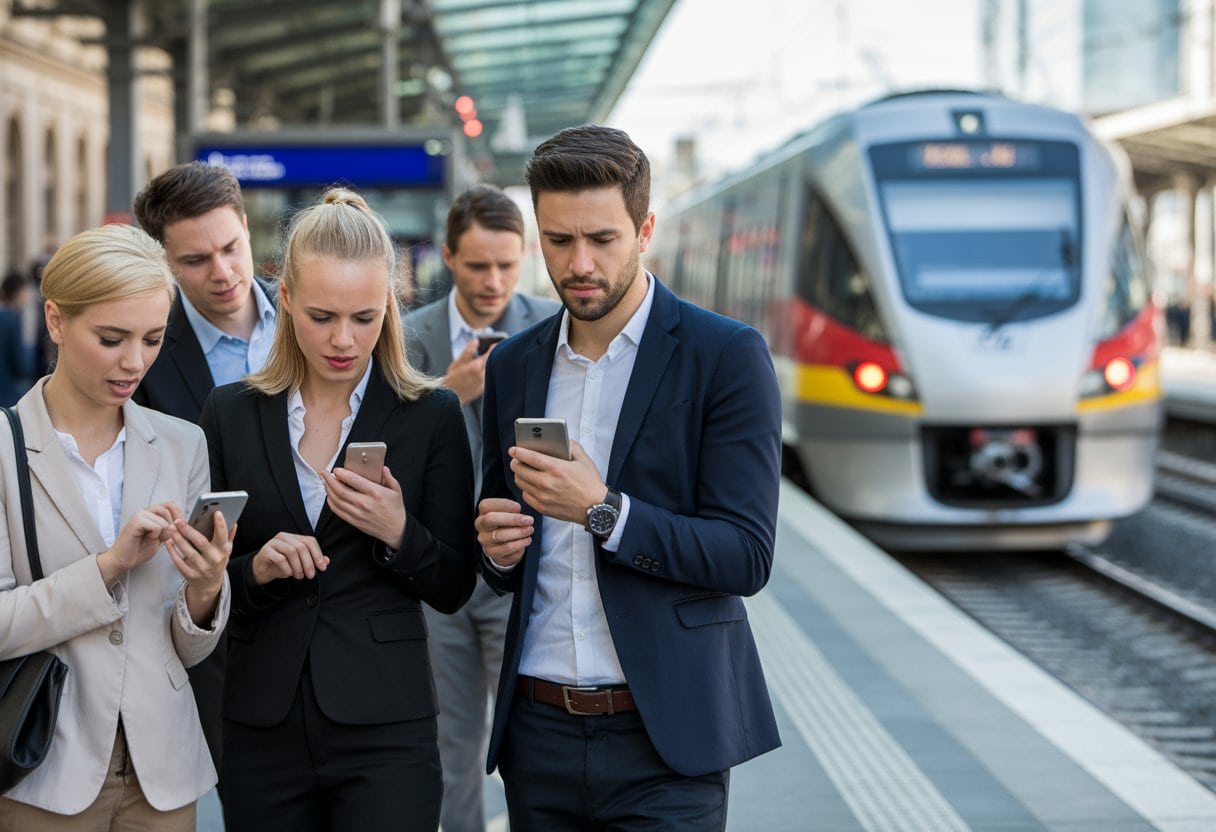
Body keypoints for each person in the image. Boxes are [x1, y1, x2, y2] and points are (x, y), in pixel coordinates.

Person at [475, 125, 784, 830]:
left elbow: (746, 555)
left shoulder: (726, 357)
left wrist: (604, 511)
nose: (579, 263)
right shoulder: (514, 365)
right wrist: (496, 548)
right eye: (558, 241)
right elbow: (502, 545)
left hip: (667, 740)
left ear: (644, 229)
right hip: (537, 731)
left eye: (602, 239)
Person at [199, 187, 477, 832]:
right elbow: (199, 586)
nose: (344, 340)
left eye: (364, 316)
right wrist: (256, 570)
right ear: (286, 299)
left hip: (387, 723)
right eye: (322, 316)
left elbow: (456, 585)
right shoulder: (230, 413)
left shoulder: (429, 414)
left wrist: (399, 531)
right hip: (261, 721)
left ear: (390, 305)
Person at [0, 223, 232, 830]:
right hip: (43, 763)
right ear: (55, 321)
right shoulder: (3, 449)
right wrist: (108, 569)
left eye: (153, 338)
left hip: (164, 768)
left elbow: (187, 647)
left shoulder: (183, 444)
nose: (135, 361)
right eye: (111, 338)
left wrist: (206, 590)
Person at [402, 184, 558, 832]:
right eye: (476, 266)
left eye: (506, 264)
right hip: (438, 578)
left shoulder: (555, 331)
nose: (492, 281)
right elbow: (378, 449)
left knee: (529, 740)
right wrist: (448, 390)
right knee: (449, 746)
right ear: (448, 258)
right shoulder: (409, 336)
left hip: (519, 572)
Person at [131, 160, 278, 773]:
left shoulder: (314, 321)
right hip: (204, 613)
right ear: (165, 261)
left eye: (231, 248)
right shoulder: (143, 355)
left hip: (324, 597)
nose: (222, 273)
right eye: (195, 260)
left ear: (247, 229)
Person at [0, 270, 32, 405]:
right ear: (18, 292)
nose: (27, 296)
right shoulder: (12, 319)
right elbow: (19, 363)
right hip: (8, 391)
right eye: (25, 291)